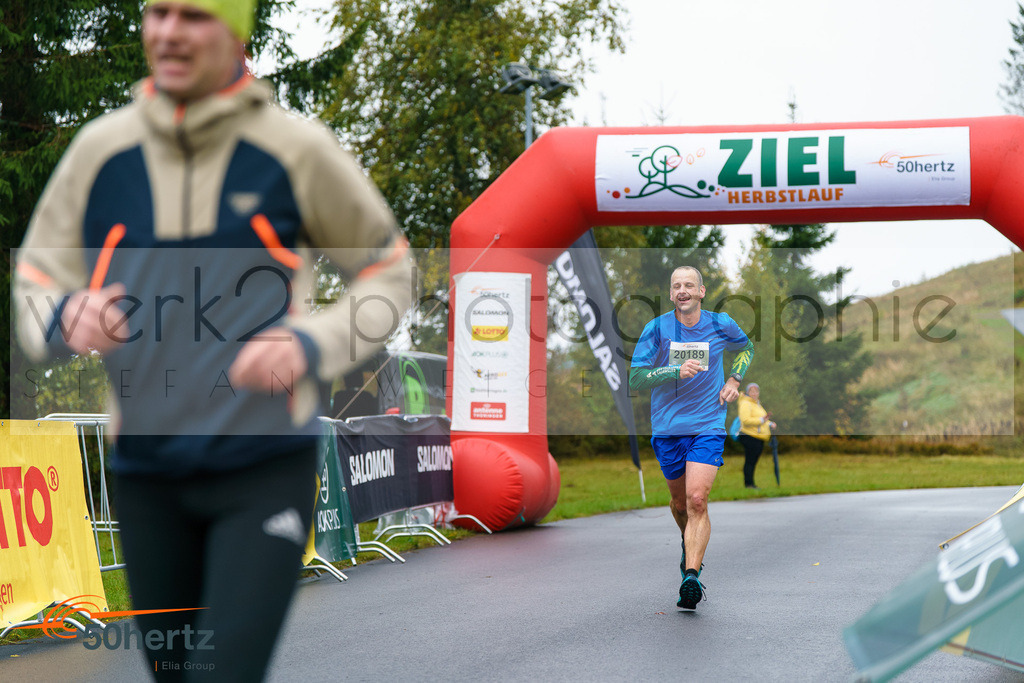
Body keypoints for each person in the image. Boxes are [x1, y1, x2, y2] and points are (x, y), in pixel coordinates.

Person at [13, 0, 413, 679]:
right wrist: (62, 318)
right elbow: (35, 274)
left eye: (192, 15)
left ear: (234, 30)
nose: (167, 32)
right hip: (146, 477)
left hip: (262, 468)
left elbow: (389, 270)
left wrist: (310, 344)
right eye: (156, 12)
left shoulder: (293, 150)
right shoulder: (102, 151)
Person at [629, 266, 753, 610]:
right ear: (671, 295)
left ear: (701, 291)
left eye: (689, 285)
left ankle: (692, 576)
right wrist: (673, 370)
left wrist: (734, 380)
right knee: (681, 505)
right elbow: (636, 378)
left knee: (697, 499)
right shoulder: (656, 329)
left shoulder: (720, 323)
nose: (682, 290)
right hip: (668, 428)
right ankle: (689, 543)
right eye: (676, 286)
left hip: (708, 423)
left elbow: (747, 347)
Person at [736, 383, 776, 489]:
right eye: (751, 391)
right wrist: (762, 420)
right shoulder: (745, 403)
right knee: (750, 461)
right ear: (747, 392)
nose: (754, 393)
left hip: (758, 437)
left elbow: (763, 419)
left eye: (756, 391)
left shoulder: (756, 404)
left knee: (753, 461)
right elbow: (745, 420)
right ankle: (749, 484)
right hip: (749, 436)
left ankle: (751, 483)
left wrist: (770, 423)